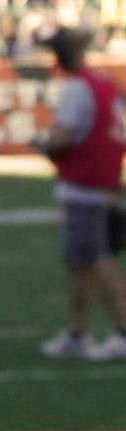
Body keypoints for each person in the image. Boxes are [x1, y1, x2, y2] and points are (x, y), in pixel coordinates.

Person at [37, 31, 126, 359]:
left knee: (97, 258)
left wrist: (44, 146)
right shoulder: (104, 83)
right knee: (81, 263)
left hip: (84, 184)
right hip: (102, 180)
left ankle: (121, 331)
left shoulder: (78, 87)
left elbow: (61, 137)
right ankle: (79, 332)